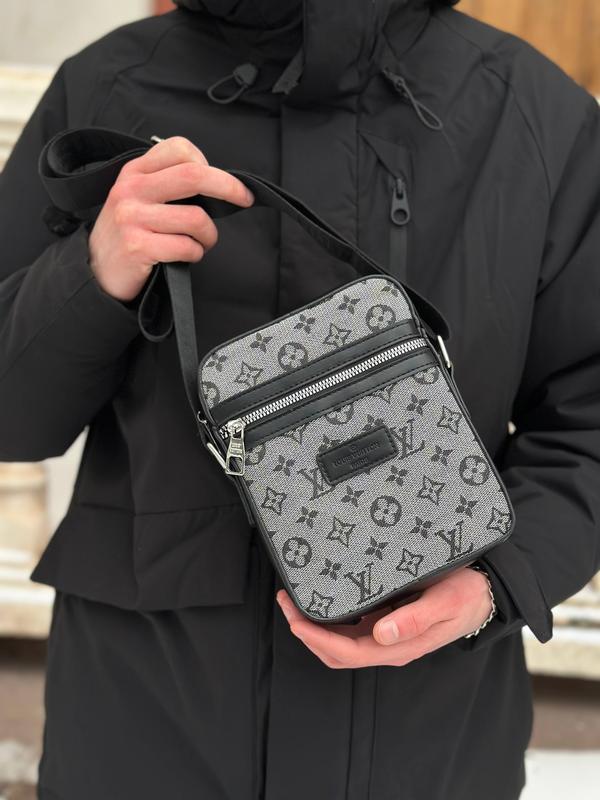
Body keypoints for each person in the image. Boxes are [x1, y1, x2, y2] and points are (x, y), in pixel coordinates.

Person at [0, 1, 599, 798]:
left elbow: (589, 419)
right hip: (138, 732)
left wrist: (495, 584)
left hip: (431, 744)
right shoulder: (108, 88)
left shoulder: (532, 113)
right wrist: (90, 273)